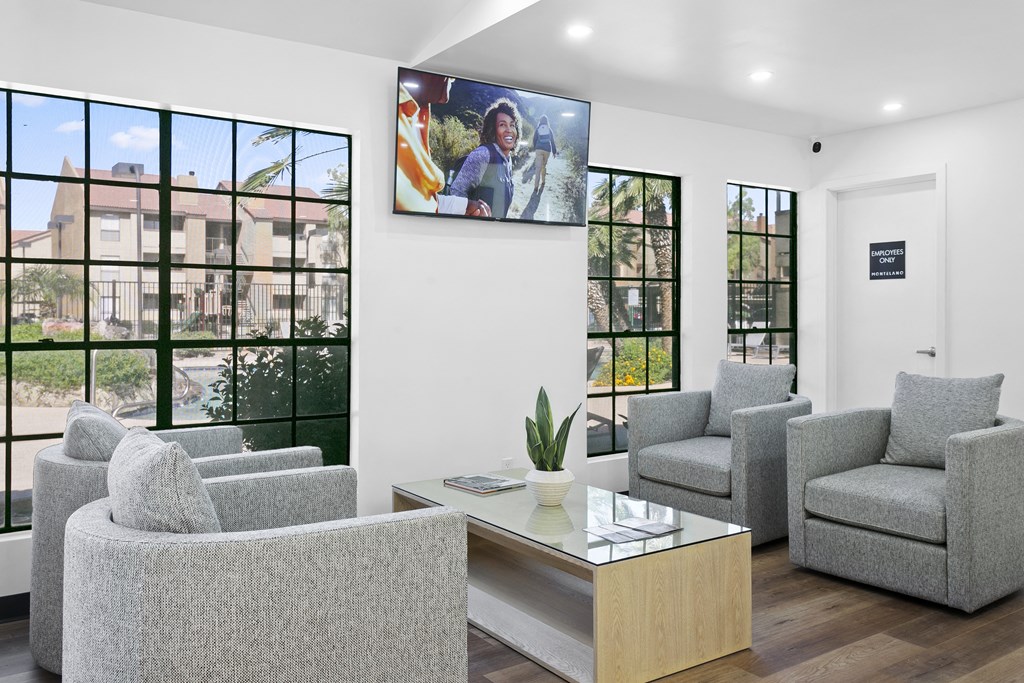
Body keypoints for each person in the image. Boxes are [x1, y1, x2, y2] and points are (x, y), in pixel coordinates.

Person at [395, 72, 490, 217]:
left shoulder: (419, 113)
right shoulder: (394, 118)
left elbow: (423, 199)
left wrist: (463, 206)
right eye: (451, 79)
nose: (445, 99)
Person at [449, 97, 522, 219]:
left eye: (512, 125)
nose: (509, 130)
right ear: (493, 129)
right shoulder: (483, 154)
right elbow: (456, 192)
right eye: (502, 125)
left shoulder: (507, 159)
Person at [530, 114, 557, 190]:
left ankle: (536, 186)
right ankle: (543, 181)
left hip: (539, 149)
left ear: (540, 121)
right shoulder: (549, 129)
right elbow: (552, 141)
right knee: (543, 166)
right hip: (547, 150)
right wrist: (554, 152)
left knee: (538, 168)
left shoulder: (538, 128)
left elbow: (534, 139)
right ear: (547, 121)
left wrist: (535, 147)